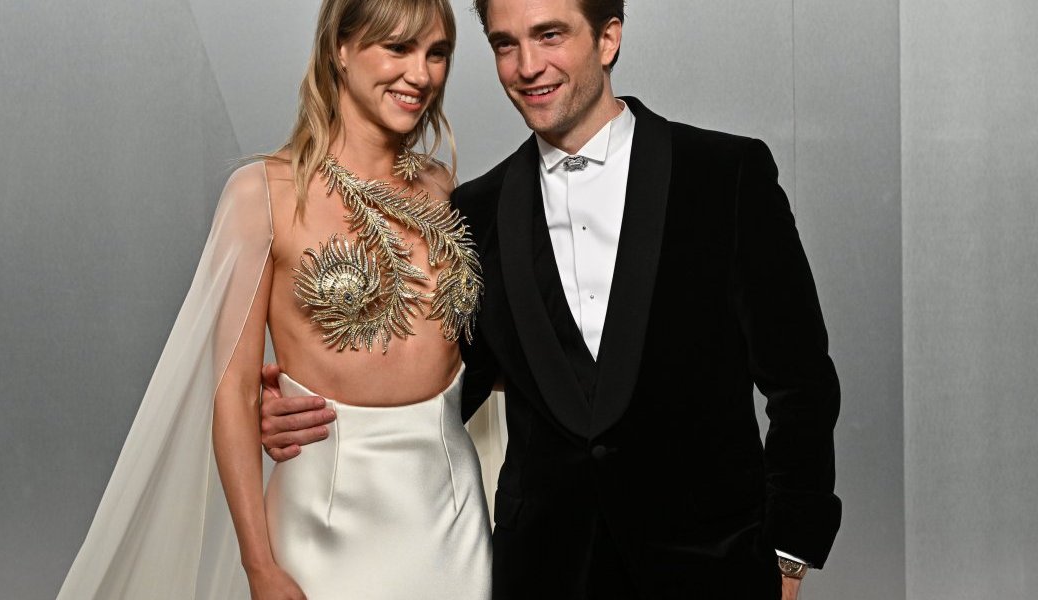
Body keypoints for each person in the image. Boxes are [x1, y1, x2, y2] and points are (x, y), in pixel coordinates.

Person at [259, 0, 842, 598]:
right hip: (540, 571)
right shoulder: (475, 211)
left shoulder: (726, 175)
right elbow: (446, 375)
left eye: (550, 35)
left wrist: (790, 551)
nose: (527, 65)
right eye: (506, 44)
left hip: (711, 567)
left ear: (608, 39)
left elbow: (802, 382)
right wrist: (302, 407)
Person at [58, 1, 492, 599]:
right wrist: (259, 566)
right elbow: (234, 391)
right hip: (326, 521)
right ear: (340, 50)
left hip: (452, 518)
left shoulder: (442, 187)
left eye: (436, 53)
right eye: (398, 48)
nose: (420, 74)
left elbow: (481, 352)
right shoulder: (263, 194)